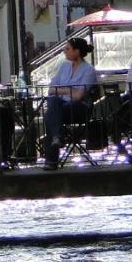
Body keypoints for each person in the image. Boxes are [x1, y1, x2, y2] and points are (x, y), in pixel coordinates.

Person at [43, 37, 98, 170]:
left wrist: (63, 90)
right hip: (62, 107)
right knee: (53, 107)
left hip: (79, 108)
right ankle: (57, 136)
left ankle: (51, 159)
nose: (64, 51)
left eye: (67, 49)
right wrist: (70, 91)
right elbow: (50, 89)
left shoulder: (88, 70)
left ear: (77, 51)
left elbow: (79, 96)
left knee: (52, 113)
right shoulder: (64, 66)